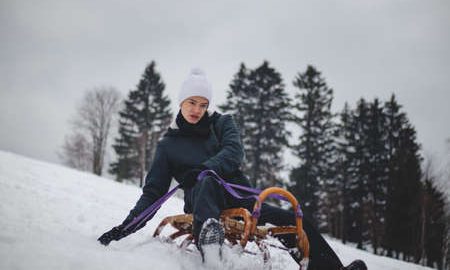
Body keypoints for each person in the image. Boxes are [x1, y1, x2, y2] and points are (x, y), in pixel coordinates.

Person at [98, 69, 367, 270]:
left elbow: (234, 153)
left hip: (240, 198)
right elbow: (153, 193)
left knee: (293, 221)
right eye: (191, 102)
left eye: (203, 104)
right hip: (203, 201)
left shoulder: (222, 123)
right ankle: (211, 251)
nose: (197, 109)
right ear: (181, 102)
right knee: (206, 183)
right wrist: (122, 230)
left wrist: (205, 167)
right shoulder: (169, 144)